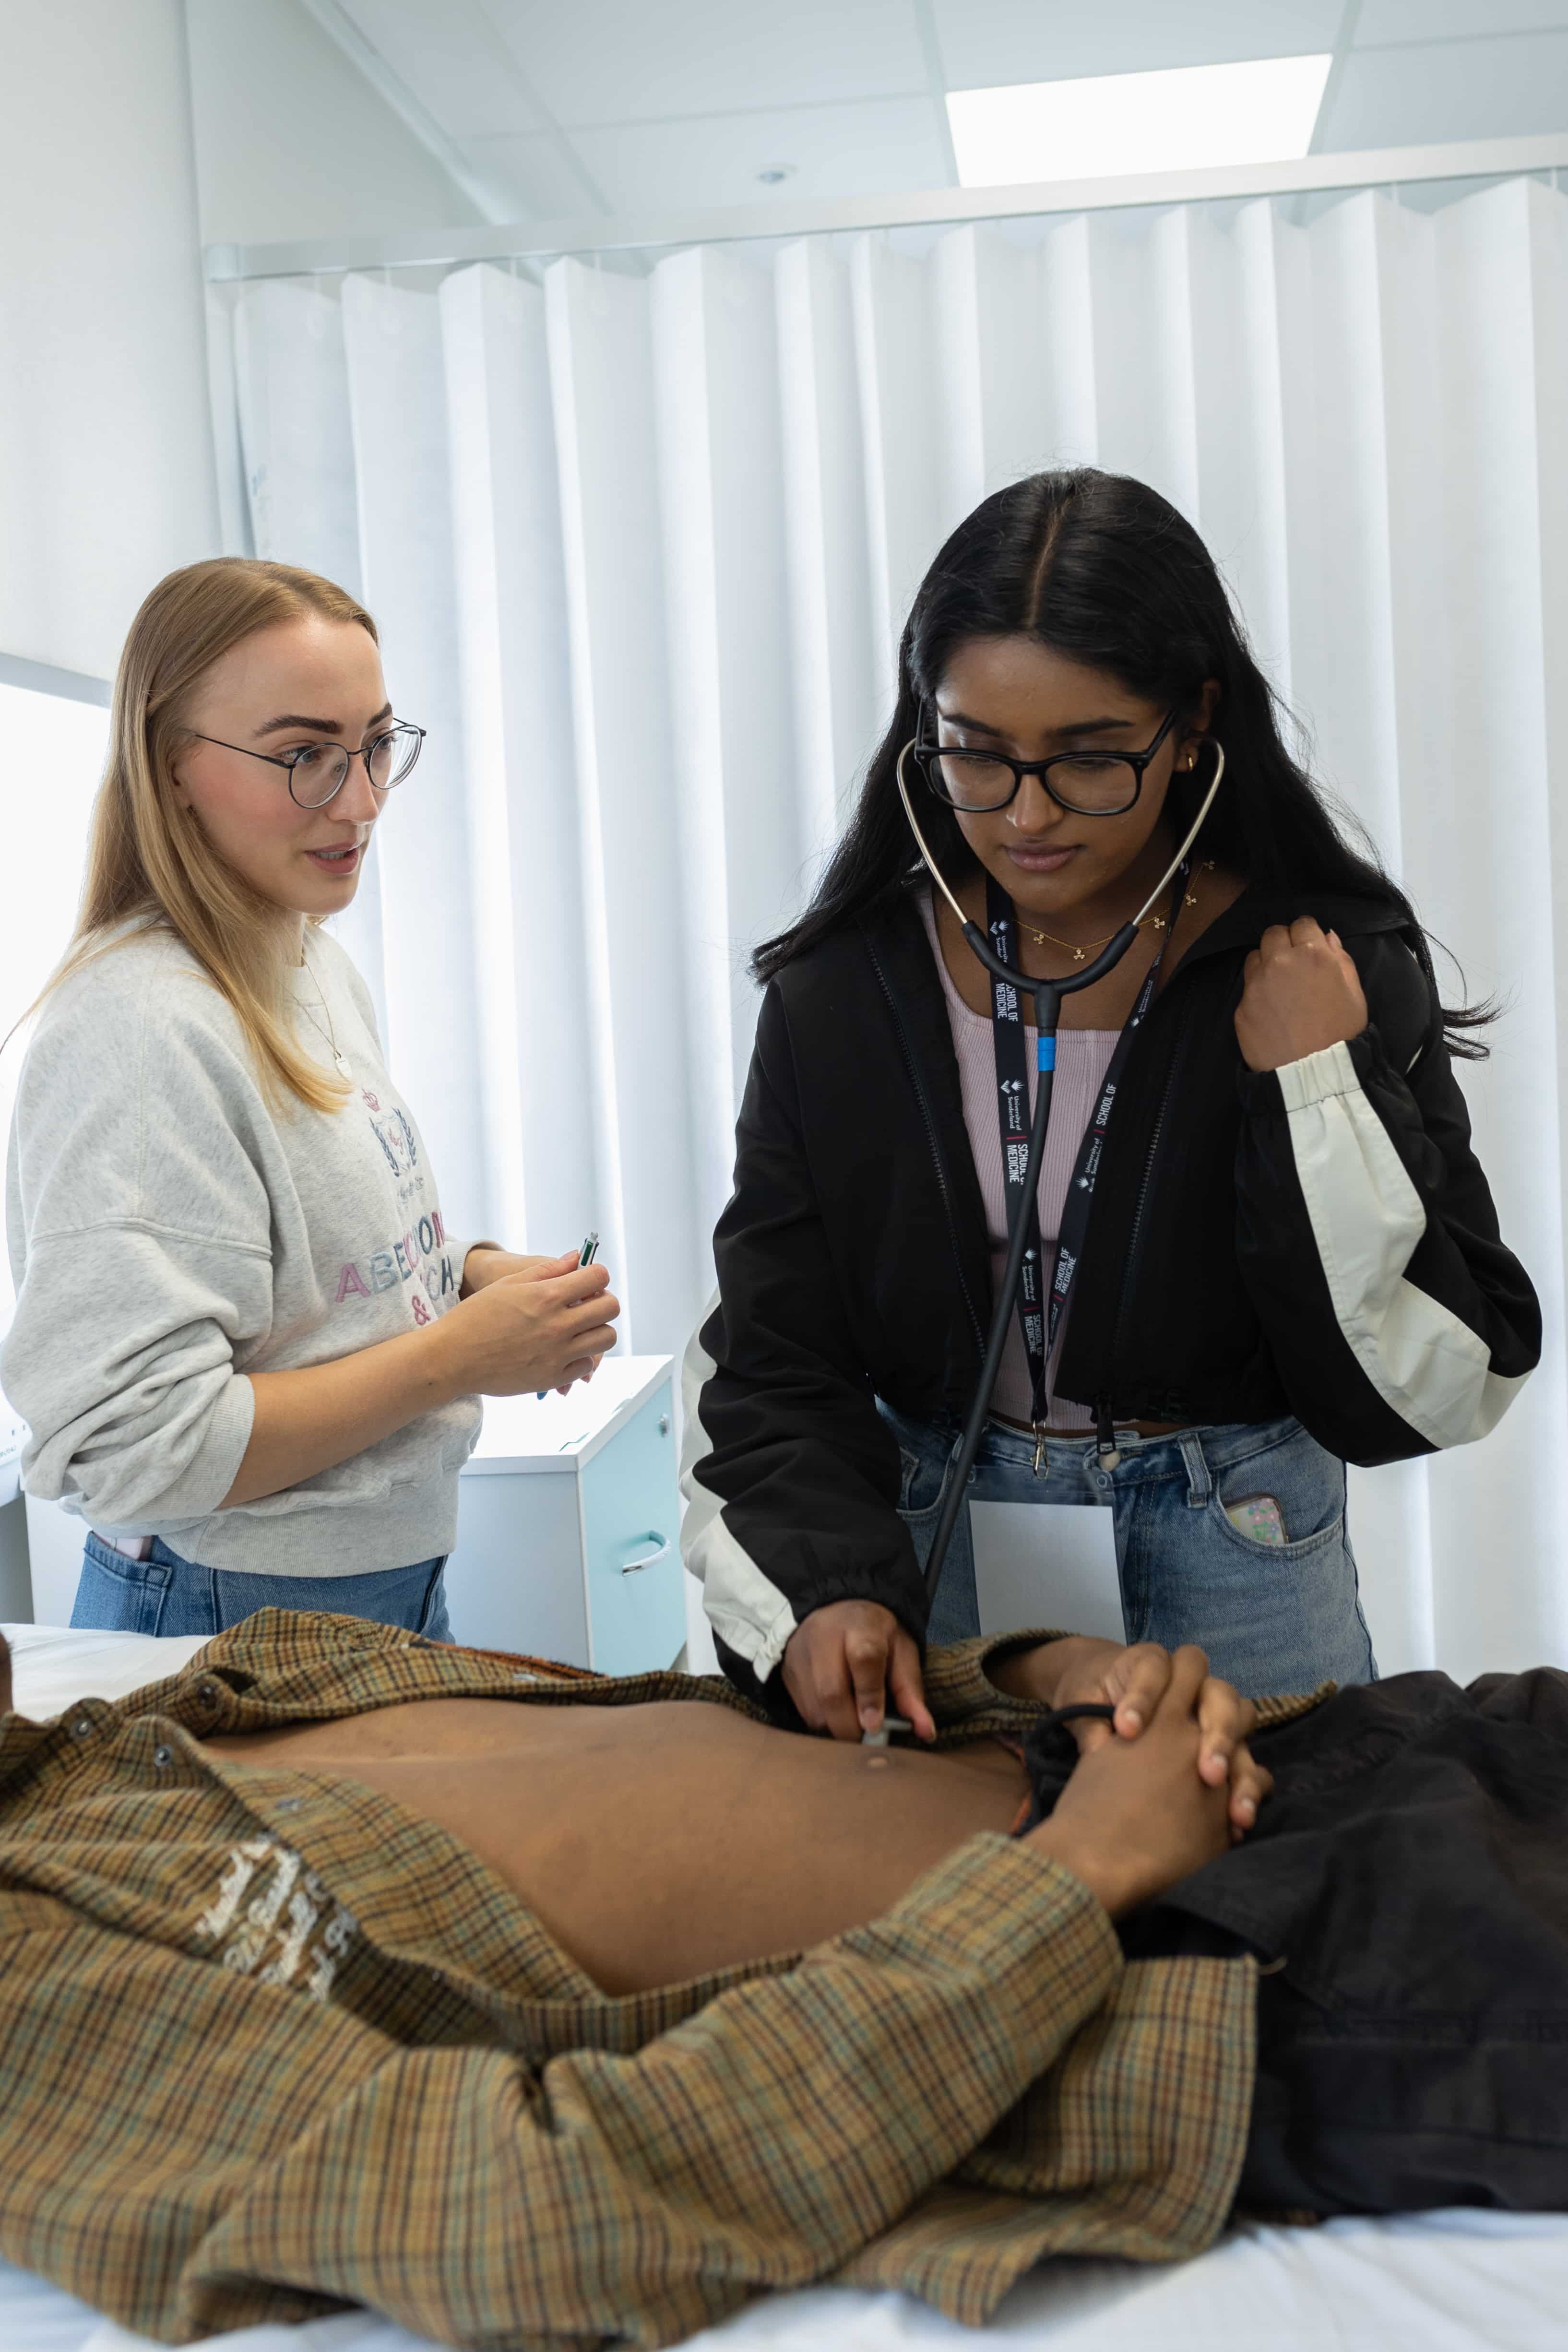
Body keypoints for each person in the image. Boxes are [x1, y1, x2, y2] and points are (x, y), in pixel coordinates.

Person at [0, 1611, 1563, 2349]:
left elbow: (707, 1740)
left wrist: (1032, 1678)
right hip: (1240, 1967)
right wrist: (1071, 1875)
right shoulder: (27, 1986)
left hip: (1285, 1749)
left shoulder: (191, 1698)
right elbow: (528, 2218)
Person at [681, 466, 1539, 1735]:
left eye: (1087, 762)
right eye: (976, 755)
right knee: (986, 1908)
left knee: (1277, 1897)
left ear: (1193, 725)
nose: (1024, 816)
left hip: (1233, 1544)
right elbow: (776, 1353)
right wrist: (823, 1588)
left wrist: (1316, 1085)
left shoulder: (1323, 965)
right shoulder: (839, 990)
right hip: (933, 1538)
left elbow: (1432, 1385)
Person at [1, 558, 618, 1639]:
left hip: (370, 1587)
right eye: (303, 758)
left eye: (376, 745)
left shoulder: (303, 959)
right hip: (233, 1611)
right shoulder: (139, 1027)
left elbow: (294, 1287)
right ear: (172, 765)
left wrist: (462, 1281)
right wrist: (457, 1357)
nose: (365, 802)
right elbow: (137, 1449)